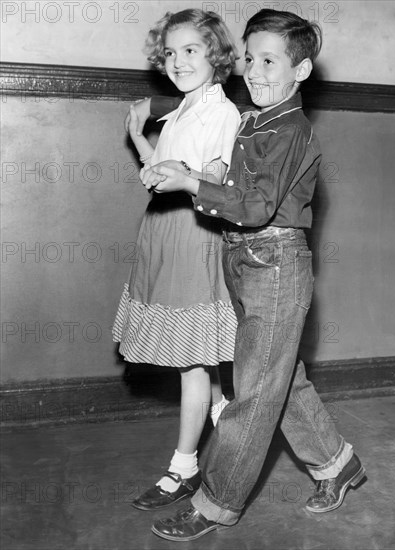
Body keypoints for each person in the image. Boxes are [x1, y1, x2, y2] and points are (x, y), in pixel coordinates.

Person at [133, 9, 366, 541]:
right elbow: (231, 181)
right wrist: (193, 171)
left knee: (253, 395)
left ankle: (216, 505)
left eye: (270, 61)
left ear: (301, 71)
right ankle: (337, 464)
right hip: (244, 260)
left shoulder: (290, 129)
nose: (255, 72)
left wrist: (192, 186)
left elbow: (257, 206)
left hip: (275, 261)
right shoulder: (256, 120)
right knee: (281, 380)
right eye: (249, 59)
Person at [112, 8, 241, 511]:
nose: (178, 60)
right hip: (162, 232)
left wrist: (175, 167)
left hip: (193, 235)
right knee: (196, 357)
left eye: (191, 50)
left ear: (216, 55)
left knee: (190, 361)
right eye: (170, 52)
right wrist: (142, 138)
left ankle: (183, 467)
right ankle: (223, 415)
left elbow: (210, 182)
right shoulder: (185, 108)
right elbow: (156, 175)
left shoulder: (222, 113)